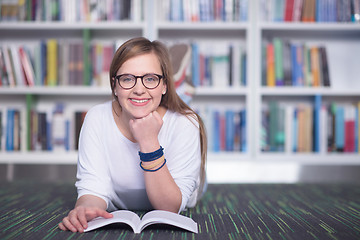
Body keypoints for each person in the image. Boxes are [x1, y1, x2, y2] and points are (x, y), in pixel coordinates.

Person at [58, 37, 207, 233]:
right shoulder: (96, 117)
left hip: (182, 190)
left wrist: (149, 142)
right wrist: (84, 208)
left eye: (150, 79)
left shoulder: (185, 123)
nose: (138, 89)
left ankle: (180, 83)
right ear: (115, 86)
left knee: (197, 185)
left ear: (164, 86)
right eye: (127, 79)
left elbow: (169, 208)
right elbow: (93, 189)